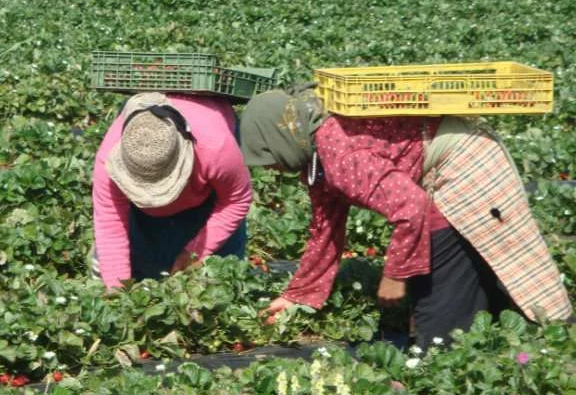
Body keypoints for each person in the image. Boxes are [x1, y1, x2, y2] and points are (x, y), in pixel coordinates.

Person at [239, 87, 573, 348]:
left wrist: (395, 276)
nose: (269, 167)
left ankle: (544, 340)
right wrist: (297, 294)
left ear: (280, 136)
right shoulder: (317, 155)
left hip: (466, 163)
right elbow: (326, 230)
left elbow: (412, 208)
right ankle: (503, 335)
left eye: (266, 155)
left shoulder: (340, 156)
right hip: (443, 167)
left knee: (441, 296)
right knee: (468, 269)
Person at [91, 91, 252, 289]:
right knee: (143, 258)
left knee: (219, 273)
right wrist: (118, 294)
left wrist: (195, 252)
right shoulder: (109, 161)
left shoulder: (217, 148)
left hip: (210, 140)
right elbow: (111, 226)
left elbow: (236, 201)